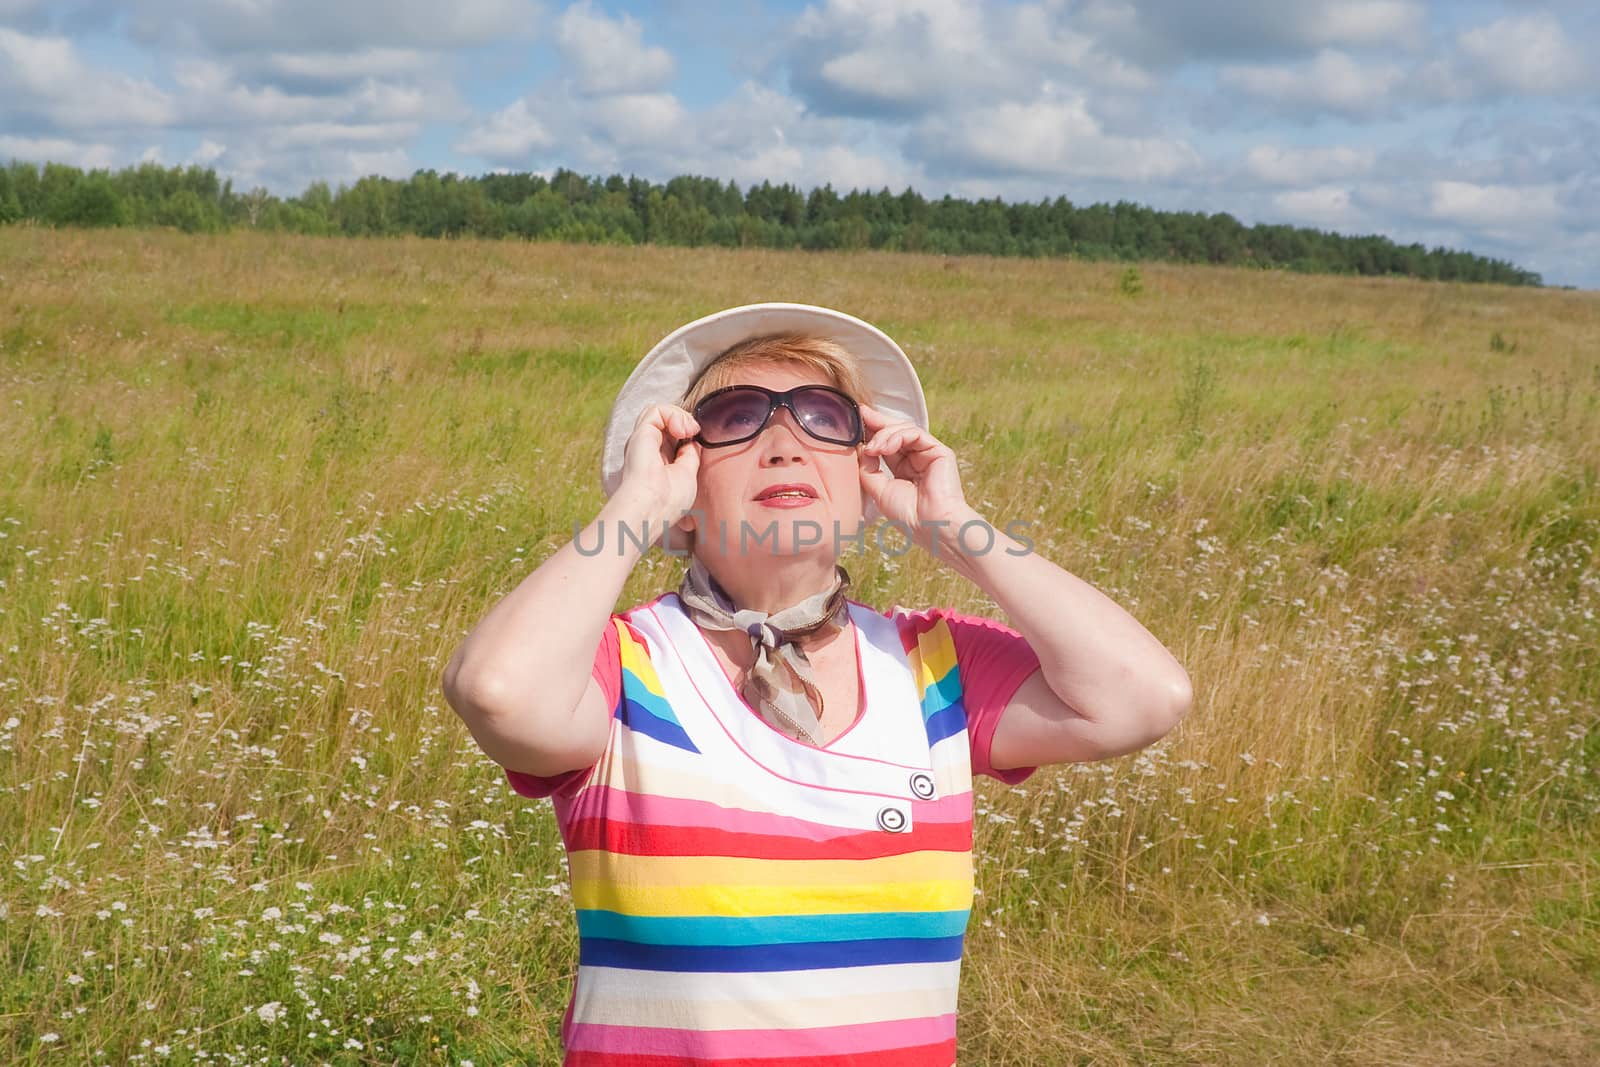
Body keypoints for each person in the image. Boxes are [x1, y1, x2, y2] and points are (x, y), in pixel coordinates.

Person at [441, 302, 1192, 1066]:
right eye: (735, 418)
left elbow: (1143, 696)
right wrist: (634, 508)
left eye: (822, 418)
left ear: (865, 475)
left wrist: (953, 525)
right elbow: (499, 690)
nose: (782, 443)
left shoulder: (934, 666)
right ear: (686, 489)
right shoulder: (624, 666)